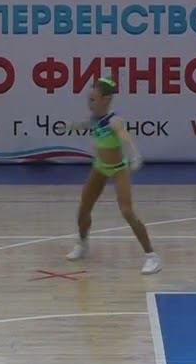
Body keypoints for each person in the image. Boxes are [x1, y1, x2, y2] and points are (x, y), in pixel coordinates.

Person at [65, 78, 161, 275]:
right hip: (100, 167)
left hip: (118, 169)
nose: (89, 103)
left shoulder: (114, 121)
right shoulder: (94, 119)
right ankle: (83, 244)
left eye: (93, 99)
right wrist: (74, 126)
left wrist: (135, 155)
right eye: (89, 99)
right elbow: (88, 125)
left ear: (106, 100)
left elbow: (125, 136)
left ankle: (152, 257)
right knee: (84, 208)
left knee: (127, 211)